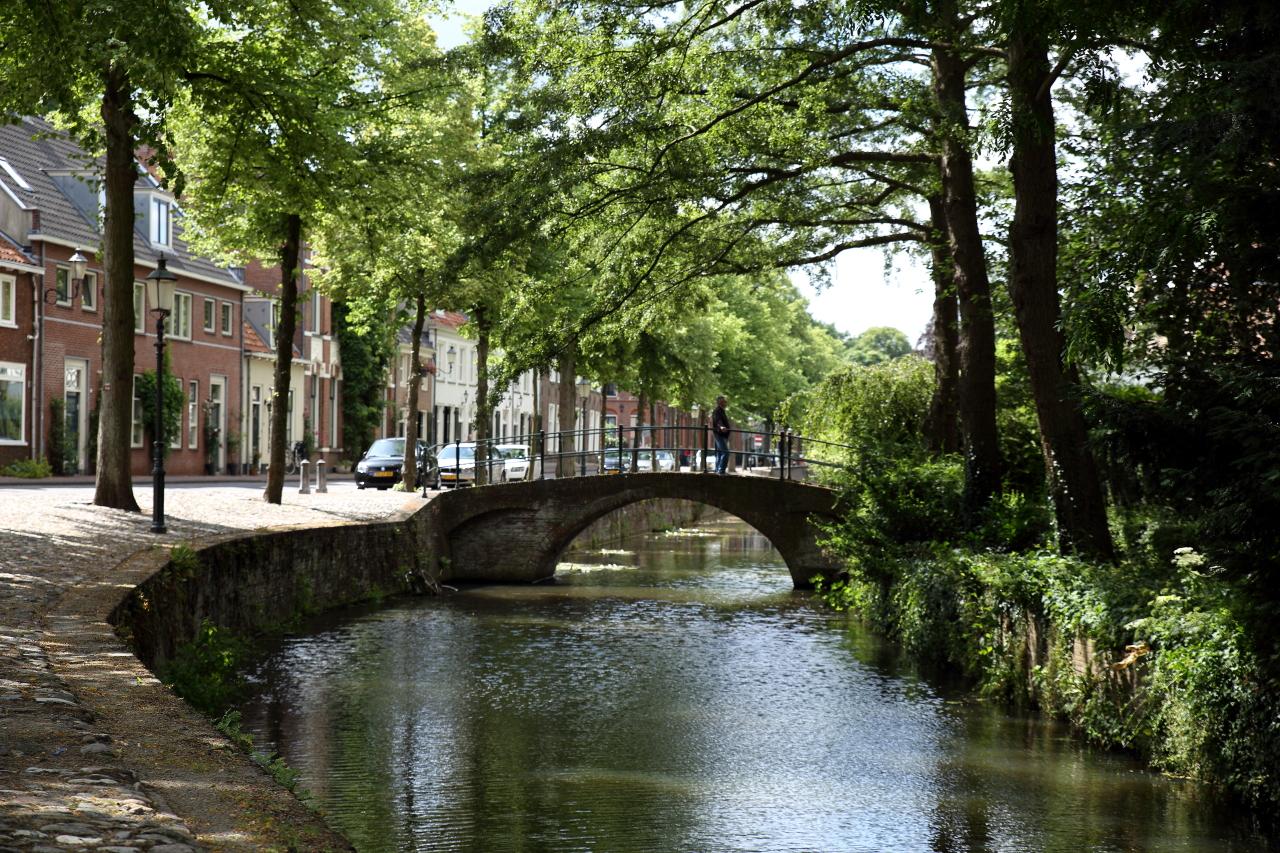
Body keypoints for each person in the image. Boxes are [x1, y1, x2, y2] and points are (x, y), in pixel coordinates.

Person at [711, 395, 731, 475]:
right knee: (725, 453)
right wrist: (721, 426)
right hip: (719, 435)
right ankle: (721, 470)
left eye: (725, 402)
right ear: (719, 402)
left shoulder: (722, 411)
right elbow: (718, 421)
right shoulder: (717, 411)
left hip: (722, 435)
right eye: (723, 402)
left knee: (719, 453)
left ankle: (718, 470)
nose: (725, 403)